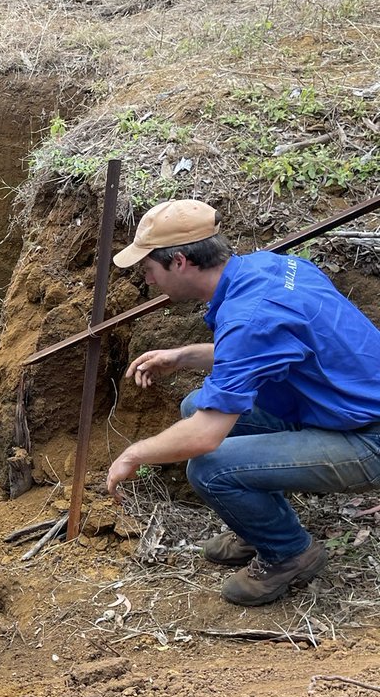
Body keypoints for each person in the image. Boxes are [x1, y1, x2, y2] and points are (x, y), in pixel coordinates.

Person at [105, 199, 380, 607]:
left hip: (365, 437)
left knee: (210, 466)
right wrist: (184, 356)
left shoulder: (249, 316)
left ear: (180, 261)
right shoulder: (269, 268)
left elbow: (204, 436)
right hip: (331, 405)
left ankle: (289, 554)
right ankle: (258, 527)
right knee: (194, 405)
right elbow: (269, 346)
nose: (148, 281)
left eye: (149, 270)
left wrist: (134, 453)